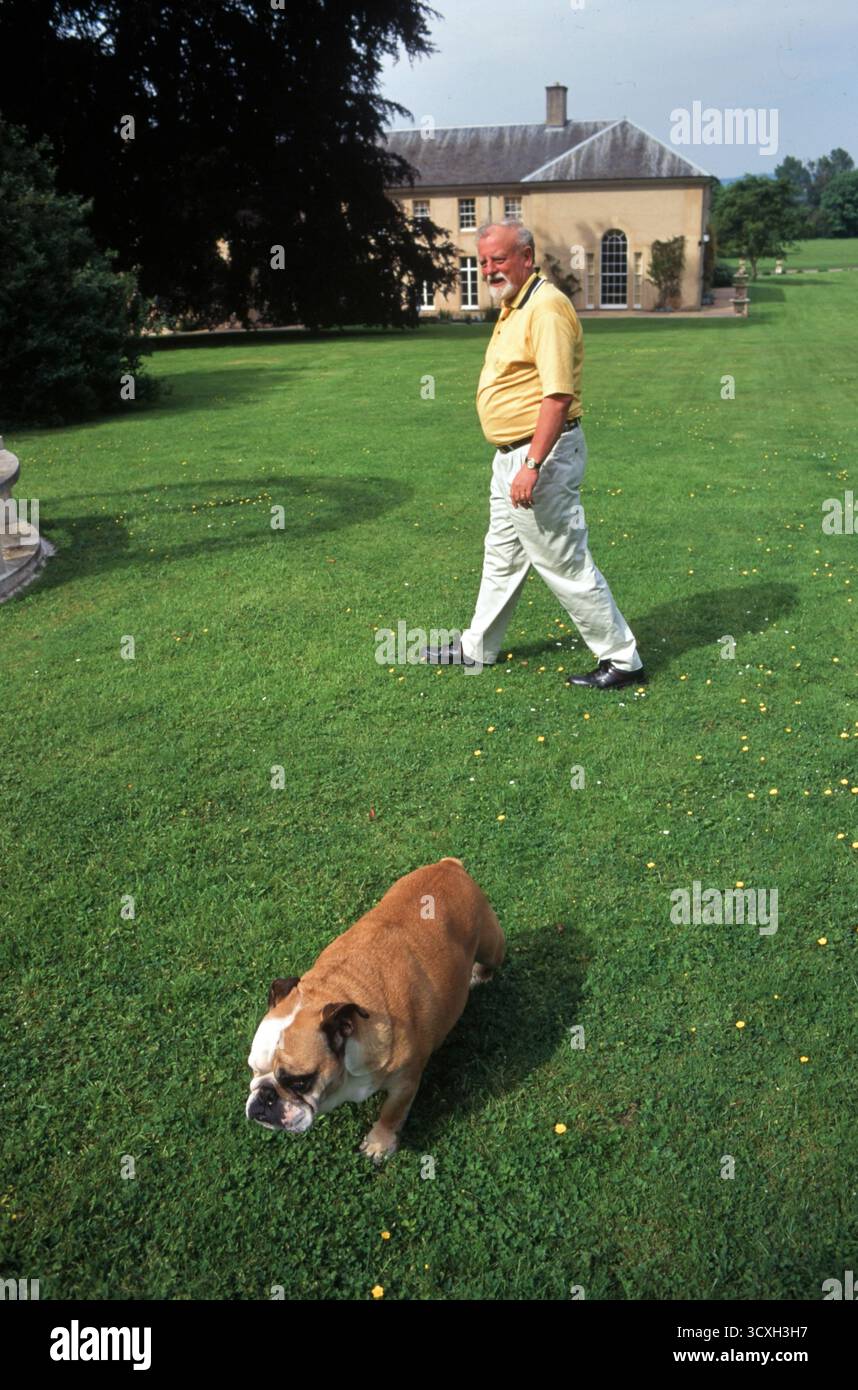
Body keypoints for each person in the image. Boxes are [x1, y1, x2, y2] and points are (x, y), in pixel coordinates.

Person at [421, 221, 645, 690]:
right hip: (512, 456)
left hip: (538, 455)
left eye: (498, 259)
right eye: (483, 261)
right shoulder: (514, 304)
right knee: (500, 555)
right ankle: (476, 648)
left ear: (526, 256)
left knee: (563, 558)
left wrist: (531, 465)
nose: (488, 269)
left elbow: (557, 397)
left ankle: (622, 659)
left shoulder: (544, 307)